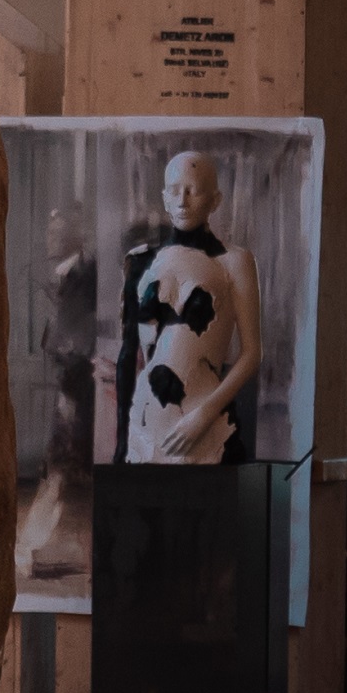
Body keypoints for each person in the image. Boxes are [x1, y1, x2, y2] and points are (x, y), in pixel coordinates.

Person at [119, 149, 263, 463]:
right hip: (147, 425)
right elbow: (129, 353)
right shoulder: (142, 261)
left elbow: (252, 353)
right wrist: (122, 442)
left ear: (215, 200)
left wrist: (204, 415)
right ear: (164, 198)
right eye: (174, 191)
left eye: (193, 190)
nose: (183, 200)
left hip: (206, 417)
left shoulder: (235, 261)